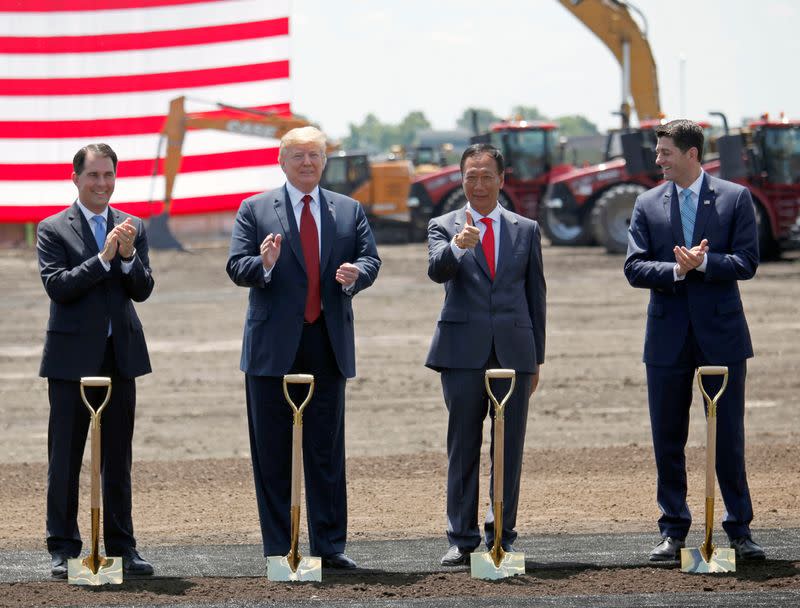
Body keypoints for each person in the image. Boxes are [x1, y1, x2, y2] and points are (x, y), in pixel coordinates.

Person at [226, 126, 380, 570]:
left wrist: (359, 274)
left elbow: (372, 258)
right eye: (298, 156)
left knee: (325, 451)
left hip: (327, 343)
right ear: (282, 161)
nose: (307, 163)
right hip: (272, 347)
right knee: (272, 451)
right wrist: (265, 264)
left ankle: (329, 547)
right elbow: (237, 265)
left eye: (315, 155)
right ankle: (280, 549)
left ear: (325, 160)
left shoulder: (348, 210)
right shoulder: (254, 209)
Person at [624, 119, 765, 562]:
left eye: (665, 152)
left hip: (721, 337)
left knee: (728, 437)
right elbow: (634, 267)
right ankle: (673, 530)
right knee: (668, 436)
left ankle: (739, 530)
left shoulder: (734, 198)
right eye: (658, 151)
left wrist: (703, 265)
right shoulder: (646, 204)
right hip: (666, 340)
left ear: (691, 154)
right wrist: (675, 271)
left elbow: (747, 262)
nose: (658, 159)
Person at [36, 143, 155, 577]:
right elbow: (59, 287)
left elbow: (142, 289)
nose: (101, 183)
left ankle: (123, 547)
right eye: (93, 176)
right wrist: (103, 258)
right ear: (76, 178)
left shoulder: (133, 226)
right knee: (65, 456)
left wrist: (126, 259)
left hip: (119, 357)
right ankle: (63, 547)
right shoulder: (52, 229)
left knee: (117, 458)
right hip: (70, 361)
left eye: (108, 175)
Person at [426, 143, 546, 566]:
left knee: (509, 447)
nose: (477, 184)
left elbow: (536, 297)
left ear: (501, 179)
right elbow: (437, 269)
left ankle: (503, 534)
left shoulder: (525, 229)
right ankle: (461, 538)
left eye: (485, 176)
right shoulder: (443, 225)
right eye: (470, 176)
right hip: (461, 354)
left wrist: (537, 360)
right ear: (460, 180)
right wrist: (459, 245)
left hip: (514, 352)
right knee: (463, 446)